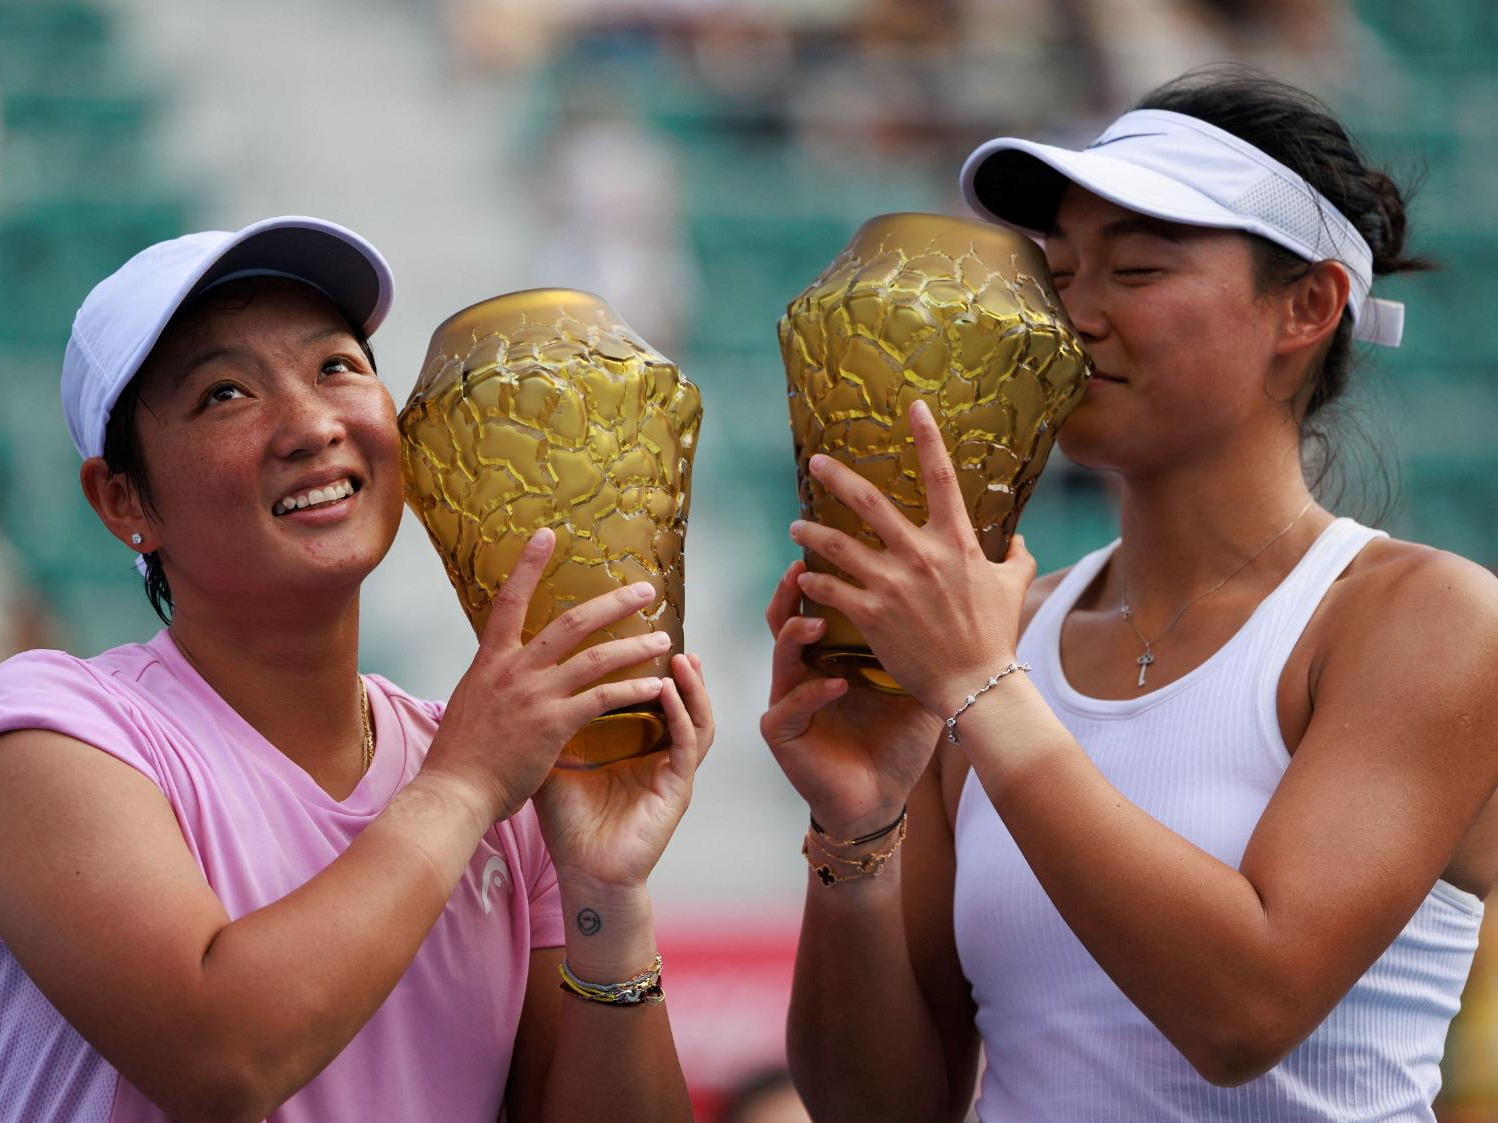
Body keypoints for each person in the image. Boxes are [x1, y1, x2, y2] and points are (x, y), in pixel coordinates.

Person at [761, 70, 1498, 1122]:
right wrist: (854, 832)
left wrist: (983, 687)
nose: (1072, 318)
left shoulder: (1426, 616)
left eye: (1137, 269)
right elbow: (882, 1107)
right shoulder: (987, 642)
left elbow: (1242, 1012)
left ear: (1307, 305)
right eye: (1056, 274)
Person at [0, 216, 713, 1123]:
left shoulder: (497, 779)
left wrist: (609, 895)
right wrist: (460, 787)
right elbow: (220, 1058)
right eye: (224, 394)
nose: (311, 424)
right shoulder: (51, 727)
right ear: (123, 499)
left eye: (338, 366)